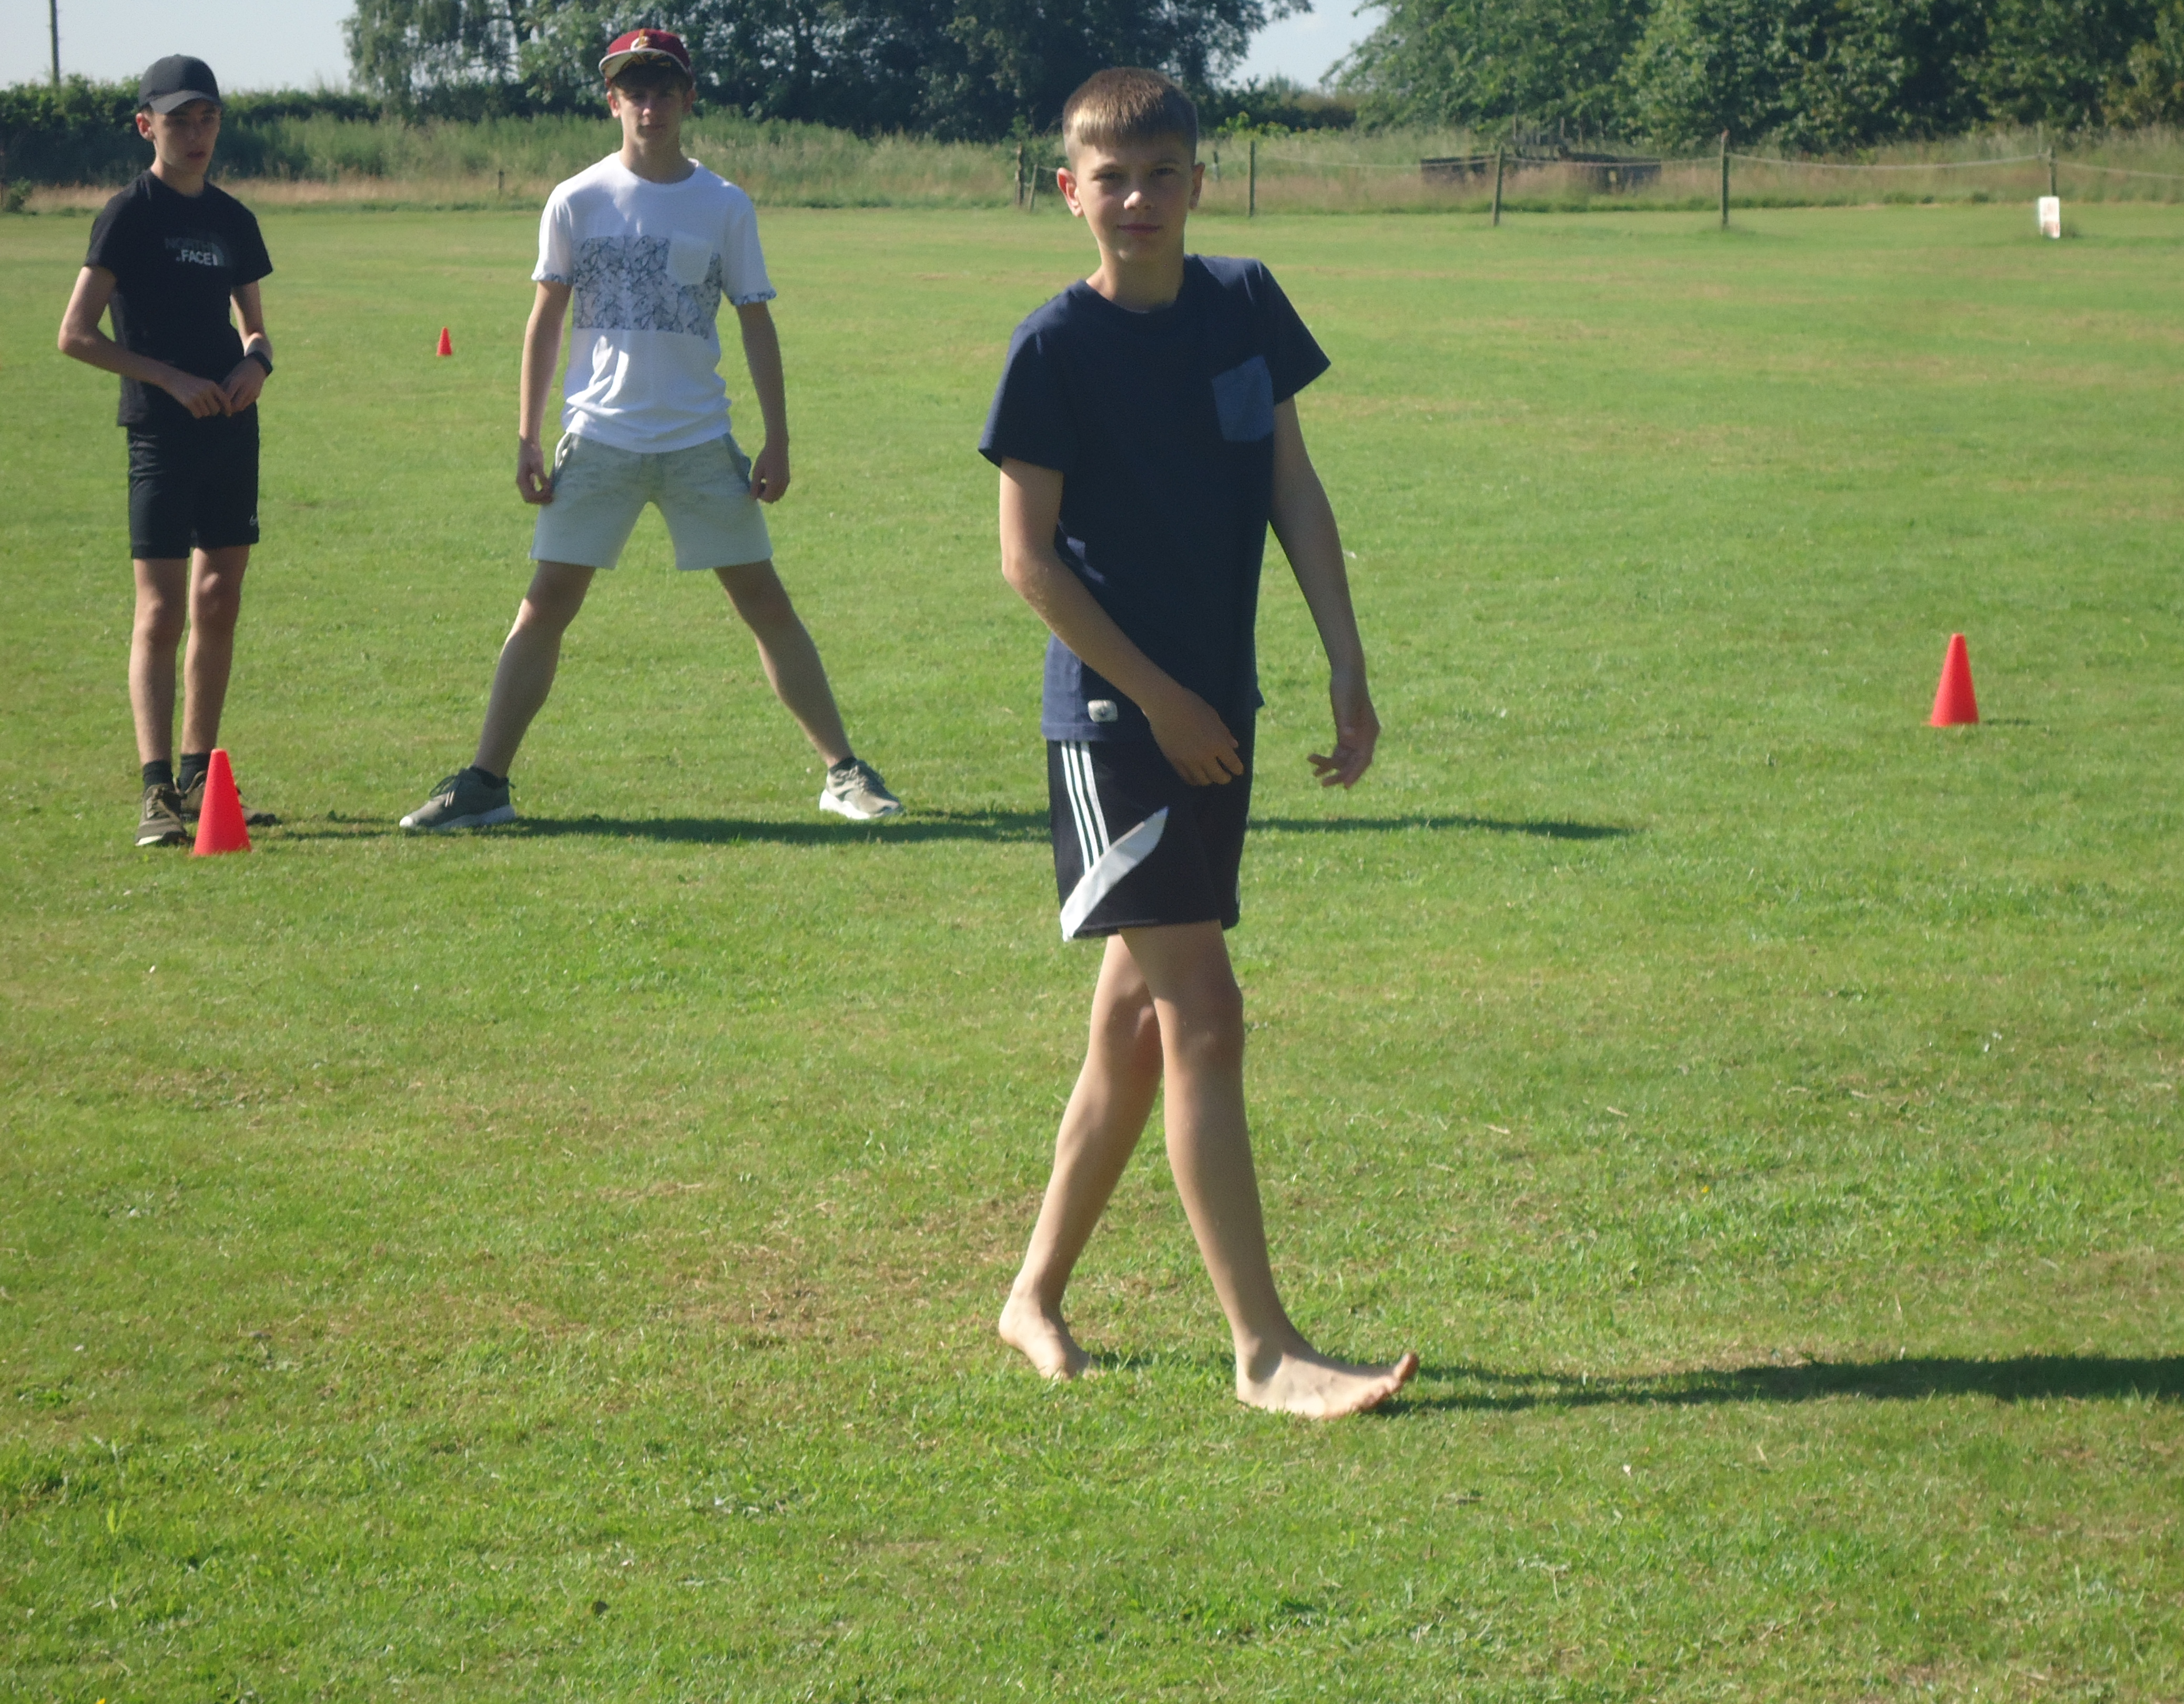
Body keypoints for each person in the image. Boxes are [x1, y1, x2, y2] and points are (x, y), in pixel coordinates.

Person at [982, 68, 1415, 1418]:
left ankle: (1031, 1296)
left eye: (1161, 174)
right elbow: (1028, 561)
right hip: (1119, 728)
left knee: (1134, 1027)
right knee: (1205, 1018)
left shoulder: (1245, 305)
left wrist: (1345, 659)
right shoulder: (1053, 348)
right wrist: (1159, 698)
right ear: (1070, 192)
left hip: (1222, 716)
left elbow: (1293, 485)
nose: (1138, 200)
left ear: (1199, 183)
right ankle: (1265, 1352)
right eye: (1110, 179)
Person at [400, 28, 900, 831]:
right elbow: (545, 322)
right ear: (613, 101)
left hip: (700, 441)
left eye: (665, 89)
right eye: (634, 89)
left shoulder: (725, 204)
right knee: (544, 606)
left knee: (765, 602)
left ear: (688, 99)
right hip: (599, 439)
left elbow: (756, 323)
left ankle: (844, 773)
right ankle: (485, 784)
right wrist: (528, 436)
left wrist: (778, 439)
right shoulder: (576, 199)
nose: (650, 104)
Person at [58, 54, 277, 848]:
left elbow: (256, 328)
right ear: (146, 126)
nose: (196, 134)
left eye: (207, 119)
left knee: (218, 600)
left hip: (230, 428)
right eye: (179, 120)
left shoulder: (233, 218)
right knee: (160, 610)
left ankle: (200, 775)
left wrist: (257, 364)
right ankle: (156, 789)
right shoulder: (129, 214)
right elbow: (75, 334)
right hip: (160, 430)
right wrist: (170, 379)